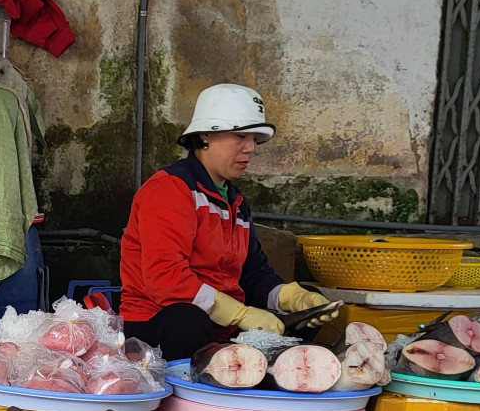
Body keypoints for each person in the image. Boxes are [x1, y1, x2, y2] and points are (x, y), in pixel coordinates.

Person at [118, 83, 336, 359]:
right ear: (206, 136)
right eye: (241, 137)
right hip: (158, 321)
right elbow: (165, 278)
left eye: (255, 139)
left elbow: (254, 275)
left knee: (301, 307)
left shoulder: (236, 202)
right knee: (188, 319)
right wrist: (238, 313)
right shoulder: (170, 189)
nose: (250, 148)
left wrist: (292, 297)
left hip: (219, 325)